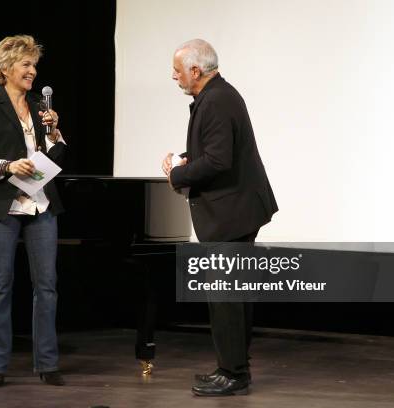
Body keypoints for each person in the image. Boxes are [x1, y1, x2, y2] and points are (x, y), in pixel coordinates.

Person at [162, 39, 278, 396]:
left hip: (232, 213)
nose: (174, 76)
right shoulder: (217, 96)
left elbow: (217, 161)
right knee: (231, 295)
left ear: (196, 71)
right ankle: (233, 368)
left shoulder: (216, 99)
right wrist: (187, 158)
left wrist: (177, 175)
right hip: (237, 209)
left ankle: (233, 372)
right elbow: (214, 150)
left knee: (226, 296)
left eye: (178, 70)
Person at [0, 34, 66, 388]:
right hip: (2, 205)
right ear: (5, 68)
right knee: (0, 286)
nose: (32, 71)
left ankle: (48, 363)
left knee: (47, 286)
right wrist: (8, 166)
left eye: (34, 65)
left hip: (41, 204)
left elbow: (55, 158)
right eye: (25, 64)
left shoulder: (41, 106)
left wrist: (54, 133)